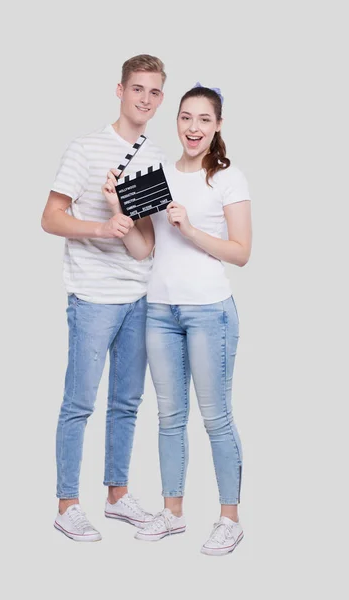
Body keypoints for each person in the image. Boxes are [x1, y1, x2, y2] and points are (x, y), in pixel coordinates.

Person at [103, 83, 252, 555]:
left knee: (216, 417)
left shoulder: (228, 178)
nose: (194, 127)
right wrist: (118, 211)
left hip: (210, 312)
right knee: (169, 417)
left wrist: (190, 228)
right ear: (177, 121)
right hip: (160, 310)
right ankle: (173, 512)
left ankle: (230, 518)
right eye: (186, 117)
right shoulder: (158, 174)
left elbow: (242, 253)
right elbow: (145, 248)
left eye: (204, 120)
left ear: (218, 126)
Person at [41, 54, 166, 542]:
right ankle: (67, 503)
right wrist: (100, 225)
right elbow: (51, 217)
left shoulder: (153, 156)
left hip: (138, 296)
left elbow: (145, 247)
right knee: (79, 402)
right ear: (120, 90)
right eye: (138, 89)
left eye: (155, 92)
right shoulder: (85, 148)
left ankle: (117, 495)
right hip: (92, 297)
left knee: (127, 401)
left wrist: (125, 220)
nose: (146, 99)